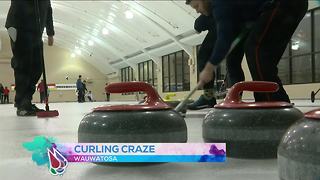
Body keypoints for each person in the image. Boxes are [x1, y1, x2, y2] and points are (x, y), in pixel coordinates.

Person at [186, 0, 308, 103]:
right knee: (261, 59)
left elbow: (224, 39)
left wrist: (208, 68)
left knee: (255, 50)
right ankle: (270, 100)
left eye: (197, 6)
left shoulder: (219, 4)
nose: (197, 11)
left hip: (282, 4)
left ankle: (272, 102)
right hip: (290, 7)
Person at [6, 0, 55, 116]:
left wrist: (50, 33)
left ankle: (25, 100)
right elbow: (15, 8)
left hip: (37, 34)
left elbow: (48, 11)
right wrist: (12, 30)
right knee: (23, 66)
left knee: (37, 67)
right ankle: (23, 103)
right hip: (20, 30)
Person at [188, 12, 245, 110]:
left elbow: (198, 26)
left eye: (197, 6)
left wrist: (199, 23)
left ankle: (209, 97)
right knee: (233, 63)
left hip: (227, 20)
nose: (197, 10)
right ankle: (236, 97)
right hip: (241, 24)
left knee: (204, 55)